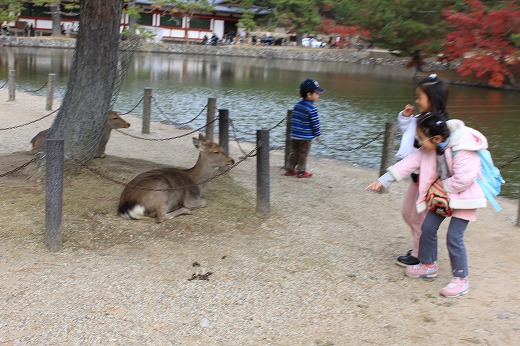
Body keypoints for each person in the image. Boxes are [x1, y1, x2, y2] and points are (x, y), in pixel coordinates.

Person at [366, 112, 488, 297]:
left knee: (454, 237)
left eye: (421, 139)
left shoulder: (463, 148)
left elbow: (464, 178)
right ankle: (428, 264)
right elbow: (408, 163)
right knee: (428, 227)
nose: (418, 142)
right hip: (443, 196)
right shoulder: (430, 148)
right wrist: (383, 180)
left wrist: (444, 187)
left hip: (464, 197)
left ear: (436, 138)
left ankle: (461, 279)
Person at [394, 74, 449, 267]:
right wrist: (405, 118)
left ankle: (420, 254)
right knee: (407, 214)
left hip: (429, 181)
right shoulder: (421, 119)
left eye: (420, 97)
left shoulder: (439, 125)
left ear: (432, 99)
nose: (417, 101)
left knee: (417, 218)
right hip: (416, 177)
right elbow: (409, 136)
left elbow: (437, 151)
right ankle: (421, 247)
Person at [285, 79, 324, 178]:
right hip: (305, 137)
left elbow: (293, 120)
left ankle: (290, 169)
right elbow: (315, 123)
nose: (318, 95)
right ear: (309, 95)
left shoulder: (297, 105)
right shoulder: (312, 109)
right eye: (317, 93)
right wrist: (317, 134)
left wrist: (294, 132)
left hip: (295, 135)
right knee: (303, 154)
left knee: (294, 152)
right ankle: (301, 171)